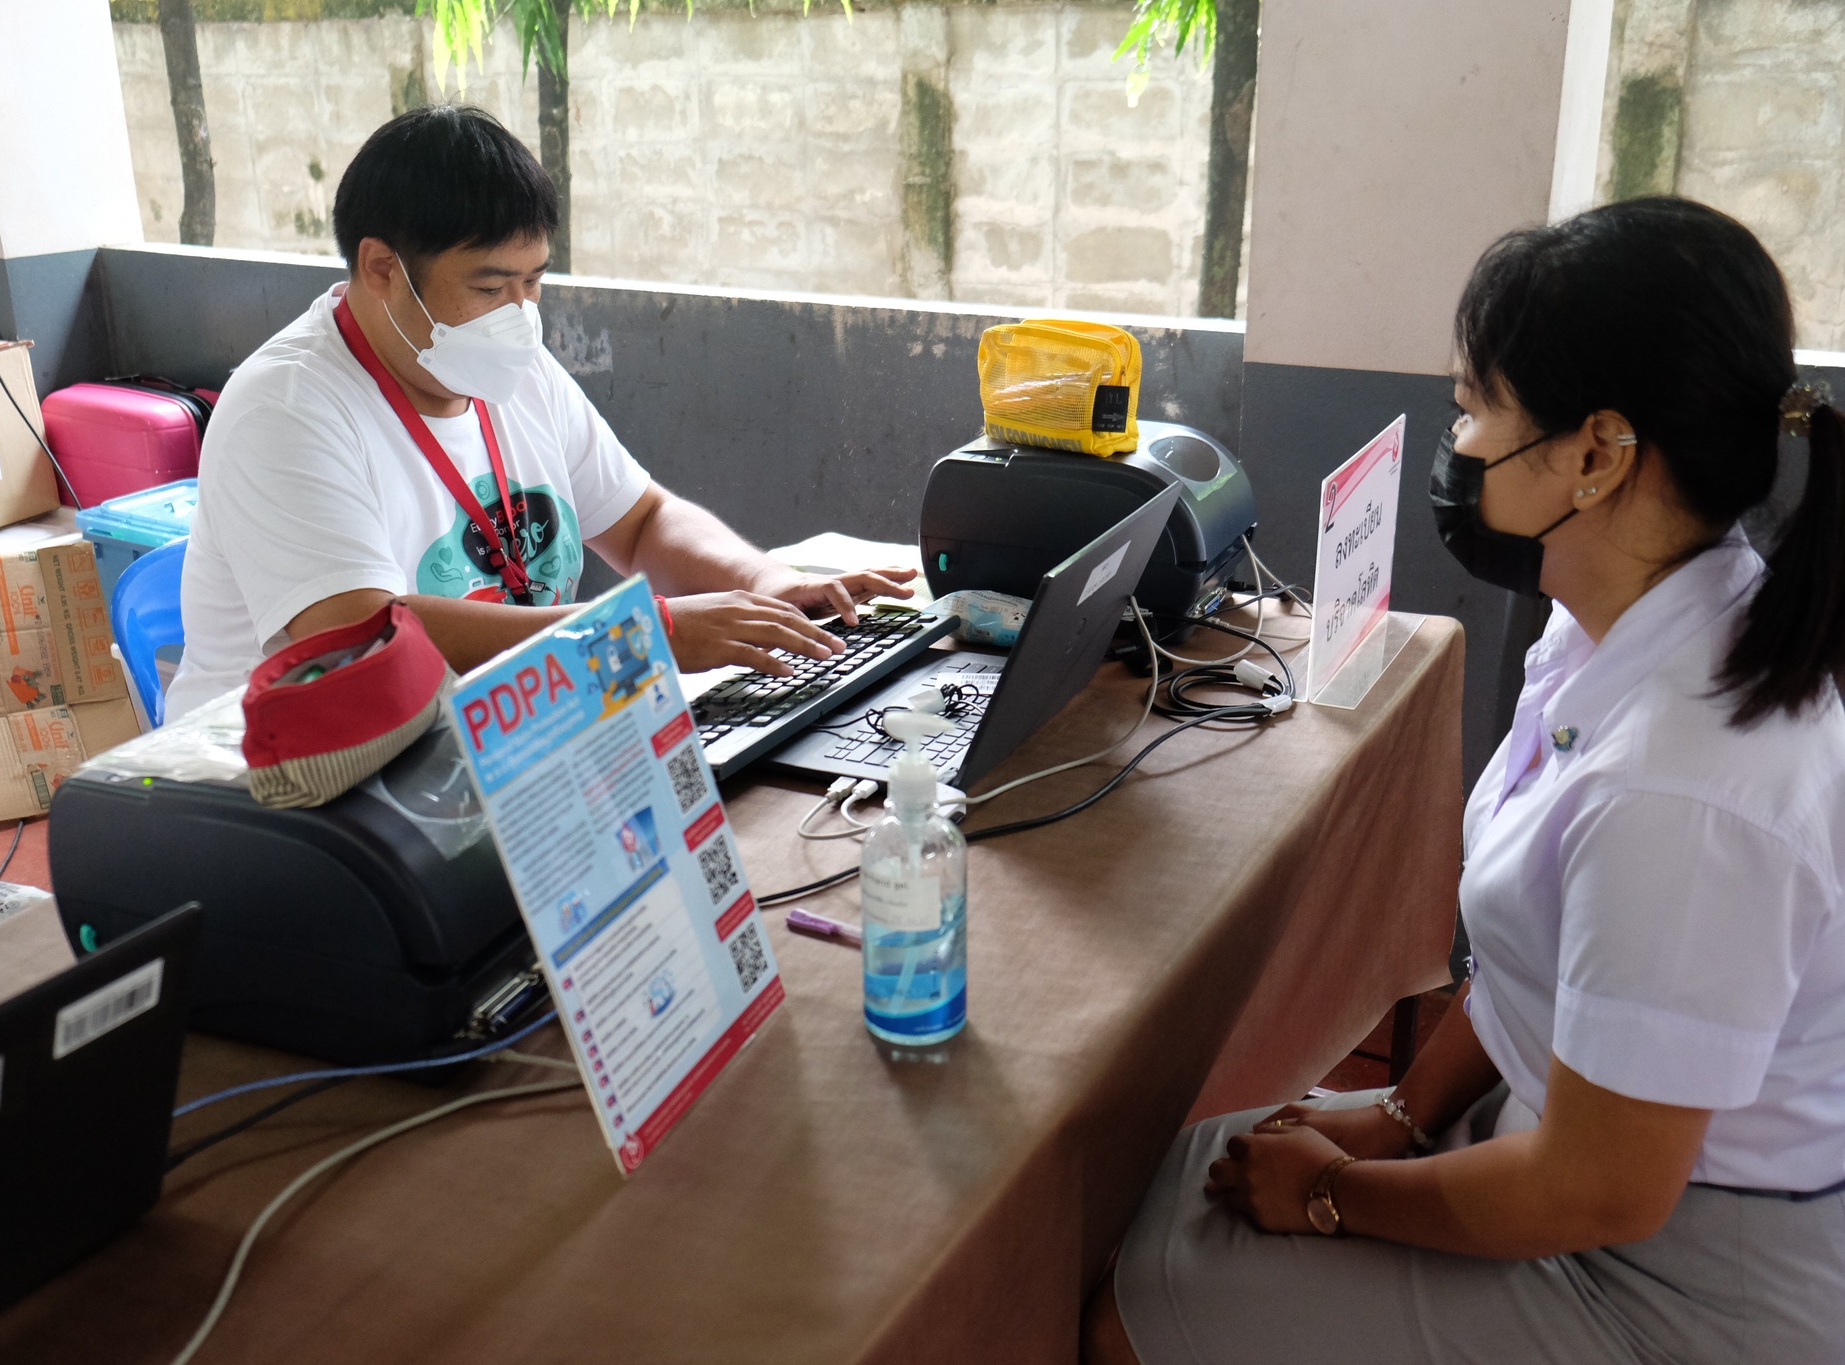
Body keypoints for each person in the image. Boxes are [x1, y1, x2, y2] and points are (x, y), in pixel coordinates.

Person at [1086, 197, 1845, 1364]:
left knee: (1134, 1309)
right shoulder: (1625, 631)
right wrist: (1393, 1119)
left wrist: (1332, 1195)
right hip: (1563, 1154)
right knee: (1157, 1181)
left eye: (1475, 409)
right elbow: (1527, 966)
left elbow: (1599, 1193)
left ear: (1595, 454)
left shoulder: (1680, 791)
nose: (1461, 446)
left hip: (1672, 1286)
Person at [164, 104, 912, 719]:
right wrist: (647, 634)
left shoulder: (508, 365)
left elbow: (643, 520)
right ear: (382, 268)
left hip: (494, 747)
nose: (520, 315)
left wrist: (762, 581)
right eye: (490, 288)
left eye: (534, 282)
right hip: (282, 794)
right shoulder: (287, 409)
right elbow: (363, 632)